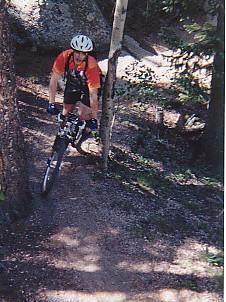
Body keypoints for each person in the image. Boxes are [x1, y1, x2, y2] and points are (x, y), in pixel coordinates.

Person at [47, 34, 101, 133]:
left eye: (84, 53)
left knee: (82, 114)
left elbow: (93, 95)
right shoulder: (64, 56)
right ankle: (61, 133)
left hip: (89, 85)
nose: (80, 56)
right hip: (74, 81)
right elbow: (53, 80)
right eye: (77, 52)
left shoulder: (91, 64)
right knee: (65, 111)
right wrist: (51, 103)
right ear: (72, 51)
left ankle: (85, 133)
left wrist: (94, 118)